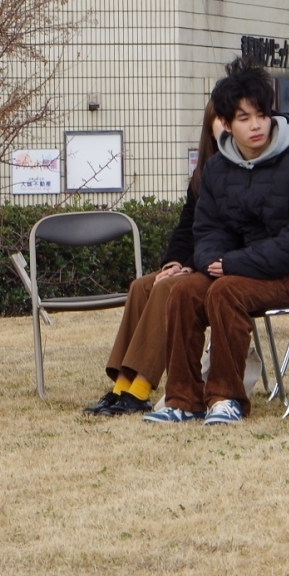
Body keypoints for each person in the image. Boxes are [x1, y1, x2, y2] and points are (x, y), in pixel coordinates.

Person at [145, 62, 289, 426]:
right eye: (244, 117)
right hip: (242, 269)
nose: (256, 125)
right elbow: (207, 229)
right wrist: (214, 260)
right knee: (184, 291)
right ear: (227, 123)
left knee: (226, 291)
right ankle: (183, 399)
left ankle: (227, 398)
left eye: (262, 115)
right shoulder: (218, 169)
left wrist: (235, 264)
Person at [87, 105, 223, 417]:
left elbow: (224, 232)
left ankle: (141, 389)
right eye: (220, 118)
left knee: (167, 290)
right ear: (209, 125)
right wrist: (173, 262)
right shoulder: (204, 172)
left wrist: (188, 265)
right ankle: (122, 385)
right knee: (142, 286)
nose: (227, 125)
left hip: (220, 265)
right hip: (196, 262)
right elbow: (187, 227)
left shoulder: (240, 172)